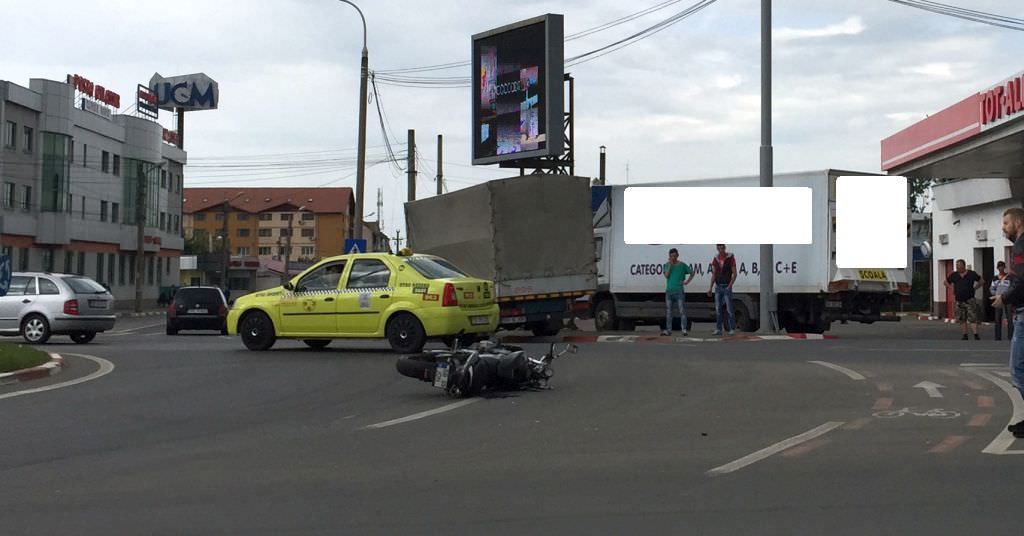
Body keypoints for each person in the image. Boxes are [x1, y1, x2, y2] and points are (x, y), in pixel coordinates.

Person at [991, 207, 1024, 438]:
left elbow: (1022, 281)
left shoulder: (1021, 246)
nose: (1003, 228)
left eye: (1005, 223)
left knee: (1018, 369)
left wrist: (1005, 298)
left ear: (1018, 222)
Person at [944, 259, 983, 340]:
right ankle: (964, 334)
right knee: (962, 318)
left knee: (973, 317)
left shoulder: (971, 274)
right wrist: (951, 287)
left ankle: (976, 334)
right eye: (957, 267)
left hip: (970, 299)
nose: (958, 268)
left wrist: (975, 288)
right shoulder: (954, 275)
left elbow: (981, 281)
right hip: (959, 300)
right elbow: (945, 282)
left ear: (964, 266)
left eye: (959, 267)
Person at [662, 248, 694, 337]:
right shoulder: (666, 265)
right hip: (669, 291)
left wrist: (687, 282)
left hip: (679, 290)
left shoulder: (682, 265)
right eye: (671, 256)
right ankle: (668, 330)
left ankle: (684, 329)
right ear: (669, 256)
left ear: (677, 255)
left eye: (675, 256)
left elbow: (692, 273)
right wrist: (671, 266)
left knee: (682, 310)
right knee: (669, 312)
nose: (673, 258)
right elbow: (667, 276)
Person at [707, 244, 737, 336]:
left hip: (726, 286)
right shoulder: (716, 259)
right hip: (718, 286)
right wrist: (710, 287)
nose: (721, 250)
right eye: (719, 248)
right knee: (718, 309)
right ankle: (718, 329)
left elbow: (734, 273)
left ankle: (732, 328)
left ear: (725, 248)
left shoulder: (730, 257)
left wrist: (730, 285)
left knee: (729, 308)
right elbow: (714, 274)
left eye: (722, 248)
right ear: (717, 248)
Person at [991, 261, 1015, 341]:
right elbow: (992, 288)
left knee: (1009, 319)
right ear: (997, 268)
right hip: (998, 300)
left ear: (1004, 267)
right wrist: (996, 294)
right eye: (999, 266)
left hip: (1008, 299)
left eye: (1002, 266)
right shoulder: (995, 278)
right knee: (997, 319)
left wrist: (1007, 295)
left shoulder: (1010, 277)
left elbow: (1012, 288)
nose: (1000, 268)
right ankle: (997, 337)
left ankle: (1011, 336)